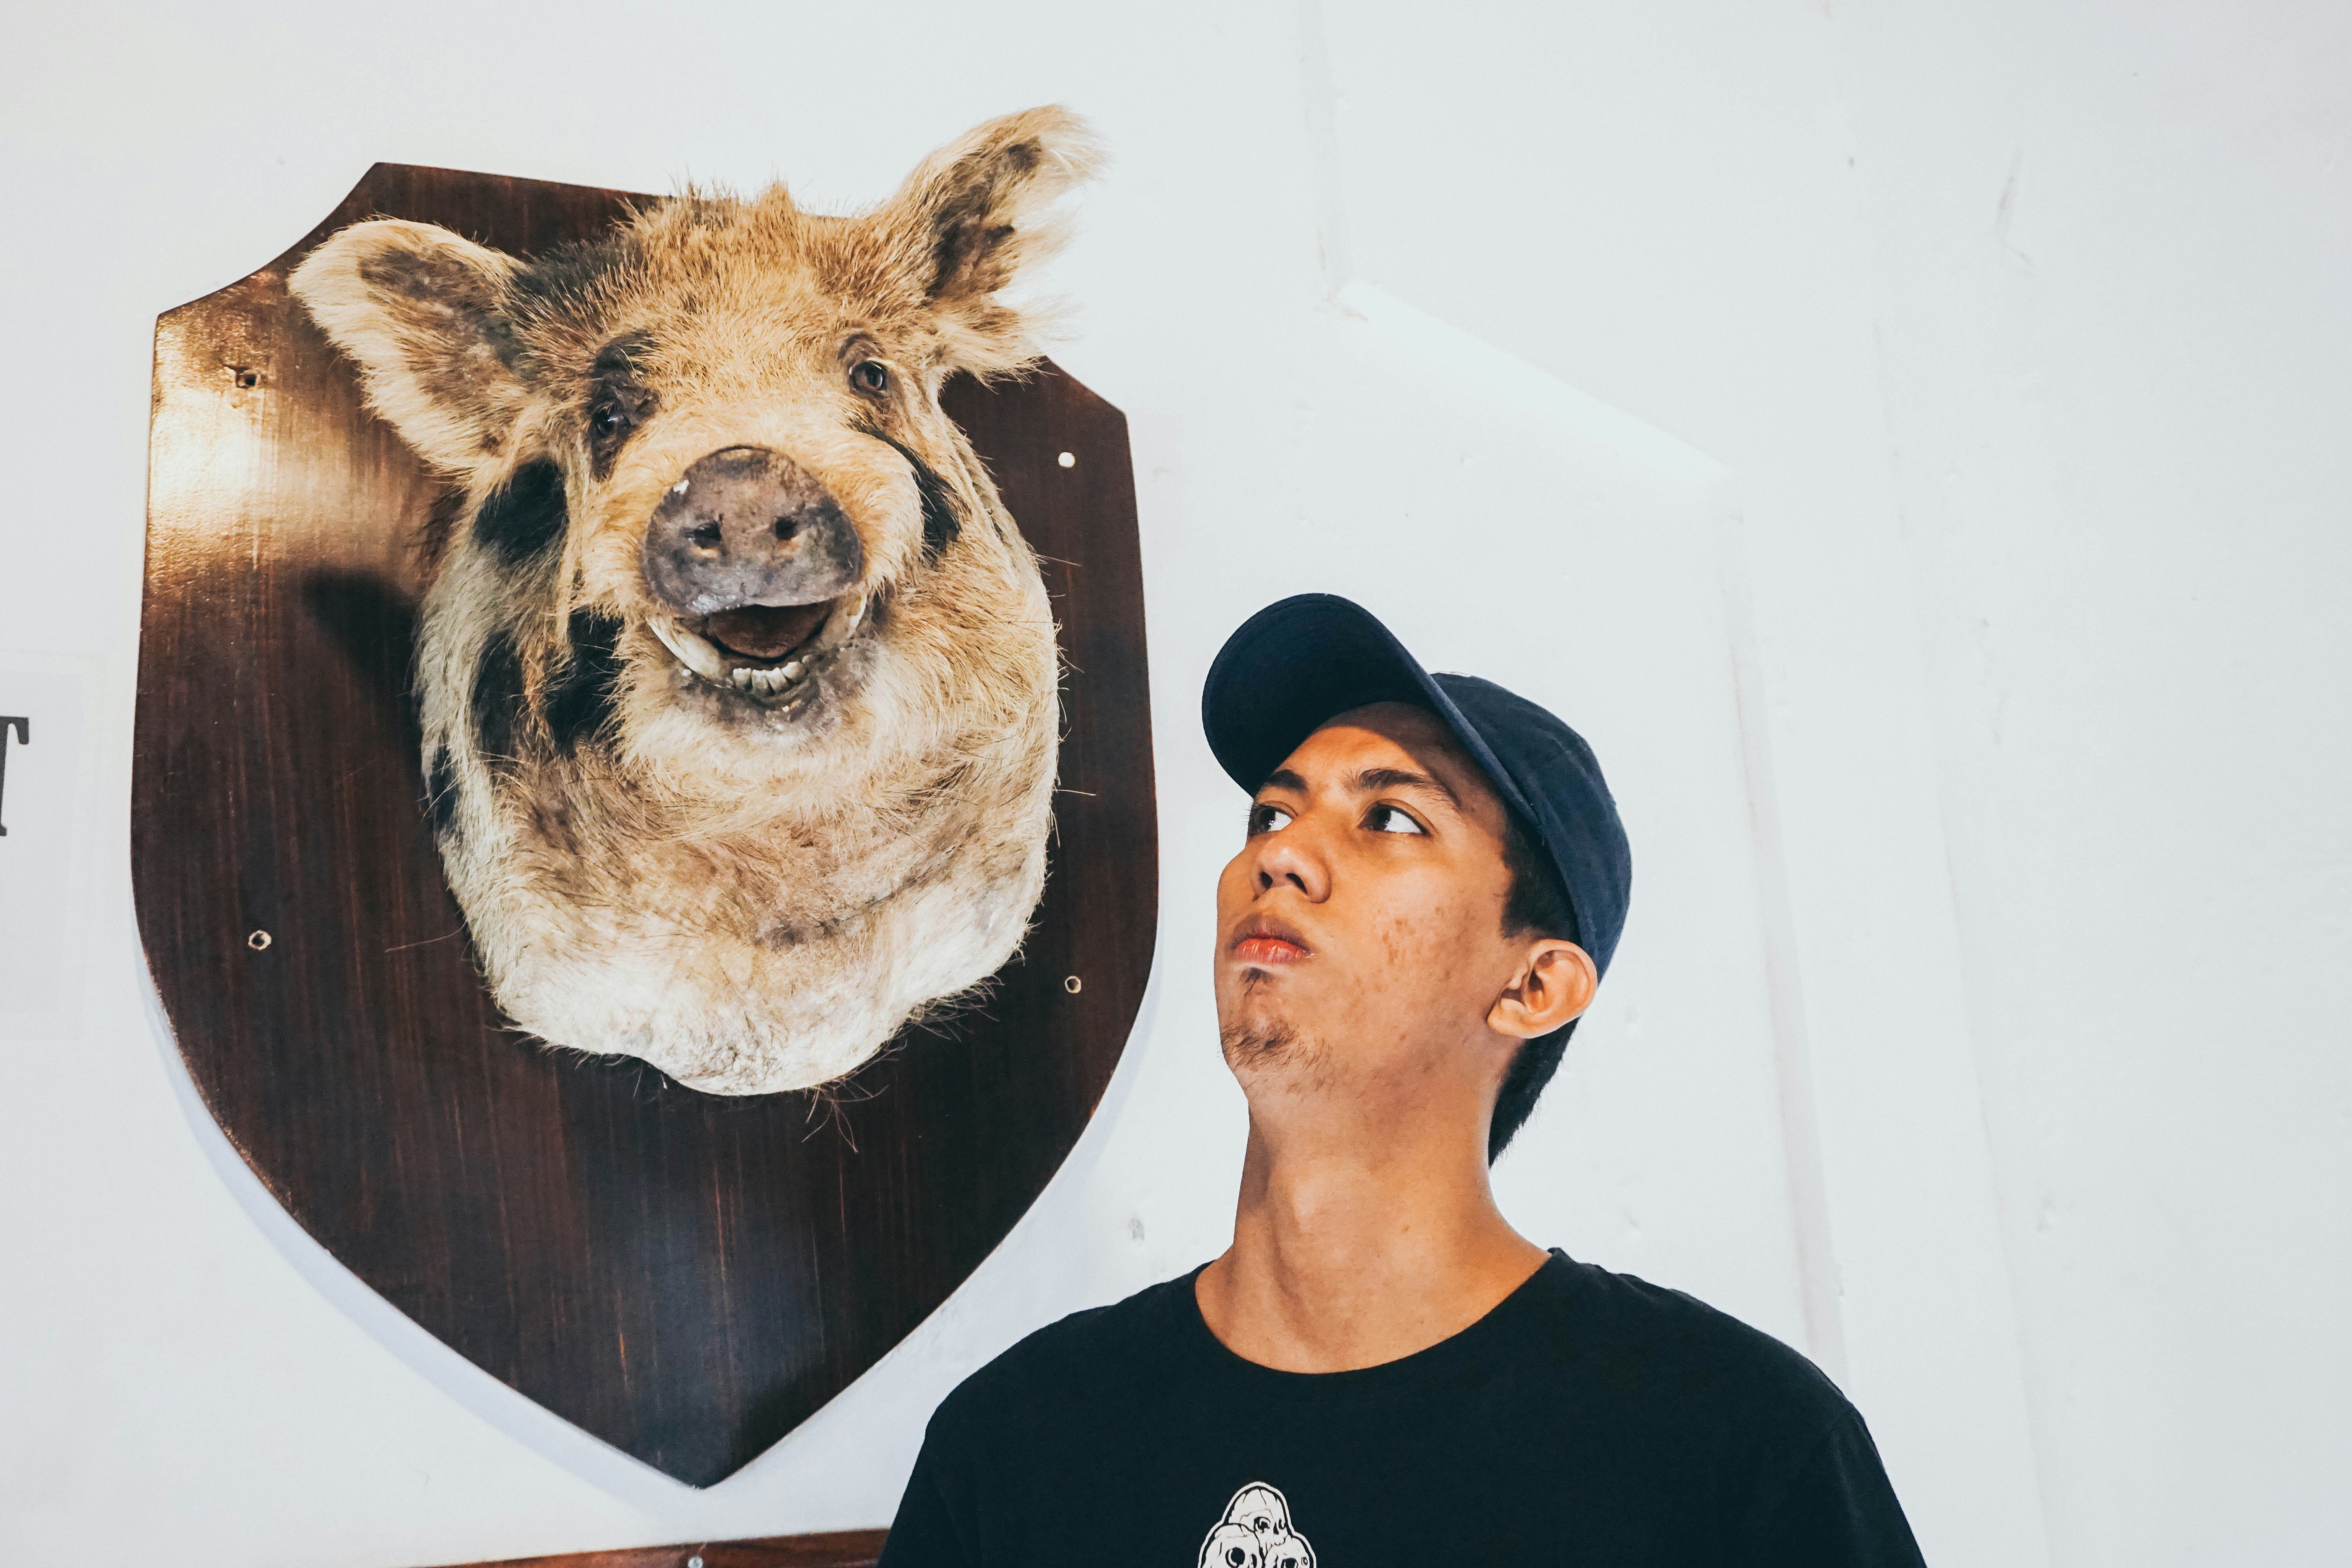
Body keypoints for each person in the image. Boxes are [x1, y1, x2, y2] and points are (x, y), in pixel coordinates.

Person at [877, 594, 1926, 1565]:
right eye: (1271, 814)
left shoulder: (1738, 1449)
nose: (1282, 857)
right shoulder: (1015, 1448)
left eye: (1390, 820)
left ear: (1534, 986)